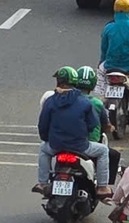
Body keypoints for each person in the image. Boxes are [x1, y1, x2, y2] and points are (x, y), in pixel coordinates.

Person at [37, 65, 111, 195]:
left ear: (58, 81)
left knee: (43, 148)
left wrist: (47, 139)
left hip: (56, 146)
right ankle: (102, 187)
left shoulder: (50, 101)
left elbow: (42, 126)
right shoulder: (85, 102)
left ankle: (43, 183)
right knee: (103, 151)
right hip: (80, 147)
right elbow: (93, 124)